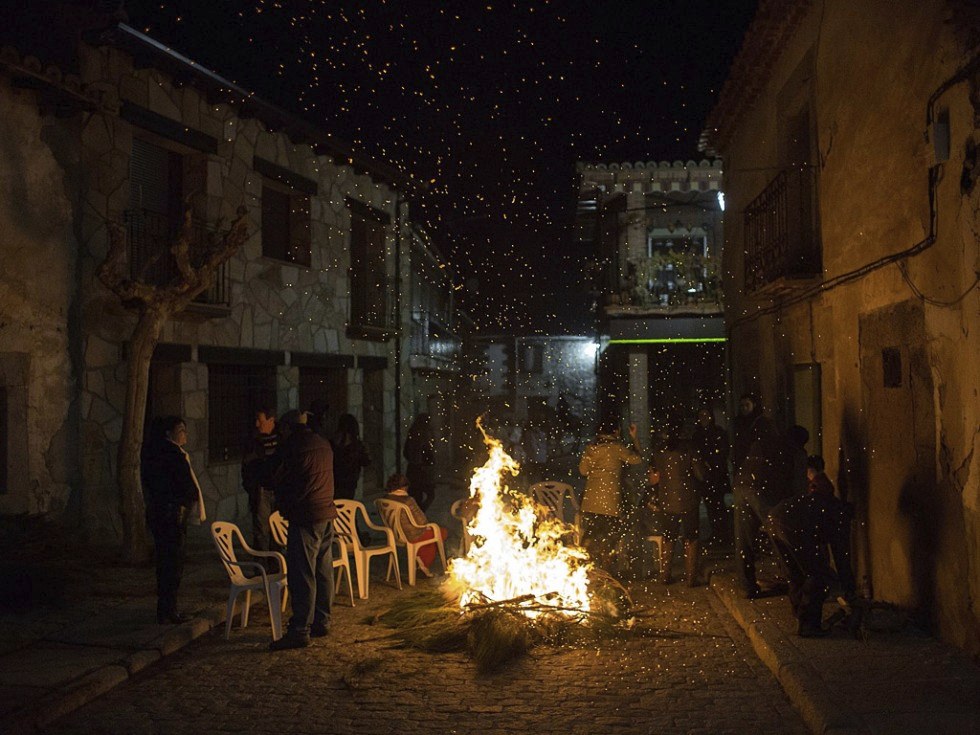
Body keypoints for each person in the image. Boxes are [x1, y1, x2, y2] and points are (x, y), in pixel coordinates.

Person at [269, 410, 336, 651]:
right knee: (323, 570)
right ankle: (322, 620)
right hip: (325, 512)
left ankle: (299, 630)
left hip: (305, 515)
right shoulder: (322, 443)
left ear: (287, 428)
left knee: (302, 573)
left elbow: (277, 477)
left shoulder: (293, 447)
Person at [767, 456, 856, 637]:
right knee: (818, 575)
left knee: (795, 573)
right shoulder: (839, 518)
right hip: (792, 523)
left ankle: (800, 616)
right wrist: (850, 590)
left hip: (775, 517)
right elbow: (841, 558)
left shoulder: (827, 506)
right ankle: (809, 626)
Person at [140, 416, 206, 624]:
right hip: (172, 515)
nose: (184, 434)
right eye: (181, 430)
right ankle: (169, 609)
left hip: (162, 514)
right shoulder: (172, 455)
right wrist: (186, 500)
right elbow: (184, 485)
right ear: (169, 433)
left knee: (166, 562)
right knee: (172, 563)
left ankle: (166, 608)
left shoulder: (156, 454)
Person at [733, 424, 808, 598]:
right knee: (780, 534)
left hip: (741, 486)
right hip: (763, 489)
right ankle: (795, 584)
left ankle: (746, 587)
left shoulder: (764, 443)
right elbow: (799, 487)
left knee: (743, 540)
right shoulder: (795, 451)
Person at [647, 415, 706, 585]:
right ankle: (691, 578)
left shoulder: (659, 450)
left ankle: (665, 575)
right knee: (691, 537)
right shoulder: (690, 448)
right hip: (689, 499)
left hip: (666, 499)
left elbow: (653, 478)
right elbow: (701, 474)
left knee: (668, 536)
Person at [578, 418, 642, 571]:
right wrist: (634, 438)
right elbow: (637, 459)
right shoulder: (616, 448)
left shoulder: (591, 448)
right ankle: (605, 570)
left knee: (592, 534)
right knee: (610, 537)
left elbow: (583, 471)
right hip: (609, 502)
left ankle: (584, 566)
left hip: (591, 502)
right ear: (615, 431)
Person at [382, 473, 448, 576]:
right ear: (404, 487)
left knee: (429, 536)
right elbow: (422, 521)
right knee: (441, 532)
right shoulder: (408, 500)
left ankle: (421, 562)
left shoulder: (384, 499)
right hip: (411, 535)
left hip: (395, 535)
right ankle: (424, 564)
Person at [241, 406, 279, 554]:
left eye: (260, 420)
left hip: (278, 488)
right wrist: (251, 487)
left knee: (278, 528)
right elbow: (246, 466)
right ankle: (262, 561)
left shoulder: (281, 437)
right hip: (260, 489)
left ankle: (276, 560)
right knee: (261, 529)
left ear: (271, 420)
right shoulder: (253, 440)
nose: (257, 424)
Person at [693, 406, 730, 544]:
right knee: (710, 506)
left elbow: (723, 452)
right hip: (705, 476)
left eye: (706, 414)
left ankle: (723, 534)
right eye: (701, 415)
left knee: (718, 505)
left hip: (717, 475)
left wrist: (712, 463)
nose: (703, 418)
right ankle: (716, 533)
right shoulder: (697, 434)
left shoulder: (718, 432)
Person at [331, 413, 371, 501]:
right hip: (348, 483)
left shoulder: (335, 442)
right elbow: (366, 461)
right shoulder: (356, 445)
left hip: (337, 481)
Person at [404, 413, 436, 511]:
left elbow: (405, 452)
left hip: (412, 469)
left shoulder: (412, 433)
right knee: (428, 494)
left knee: (415, 496)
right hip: (420, 471)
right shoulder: (424, 435)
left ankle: (417, 513)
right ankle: (419, 513)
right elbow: (428, 455)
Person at [731, 393, 771, 473]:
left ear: (754, 405)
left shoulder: (762, 422)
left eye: (747, 405)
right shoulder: (738, 422)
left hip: (758, 461)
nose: (744, 408)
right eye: (742, 406)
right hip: (743, 460)